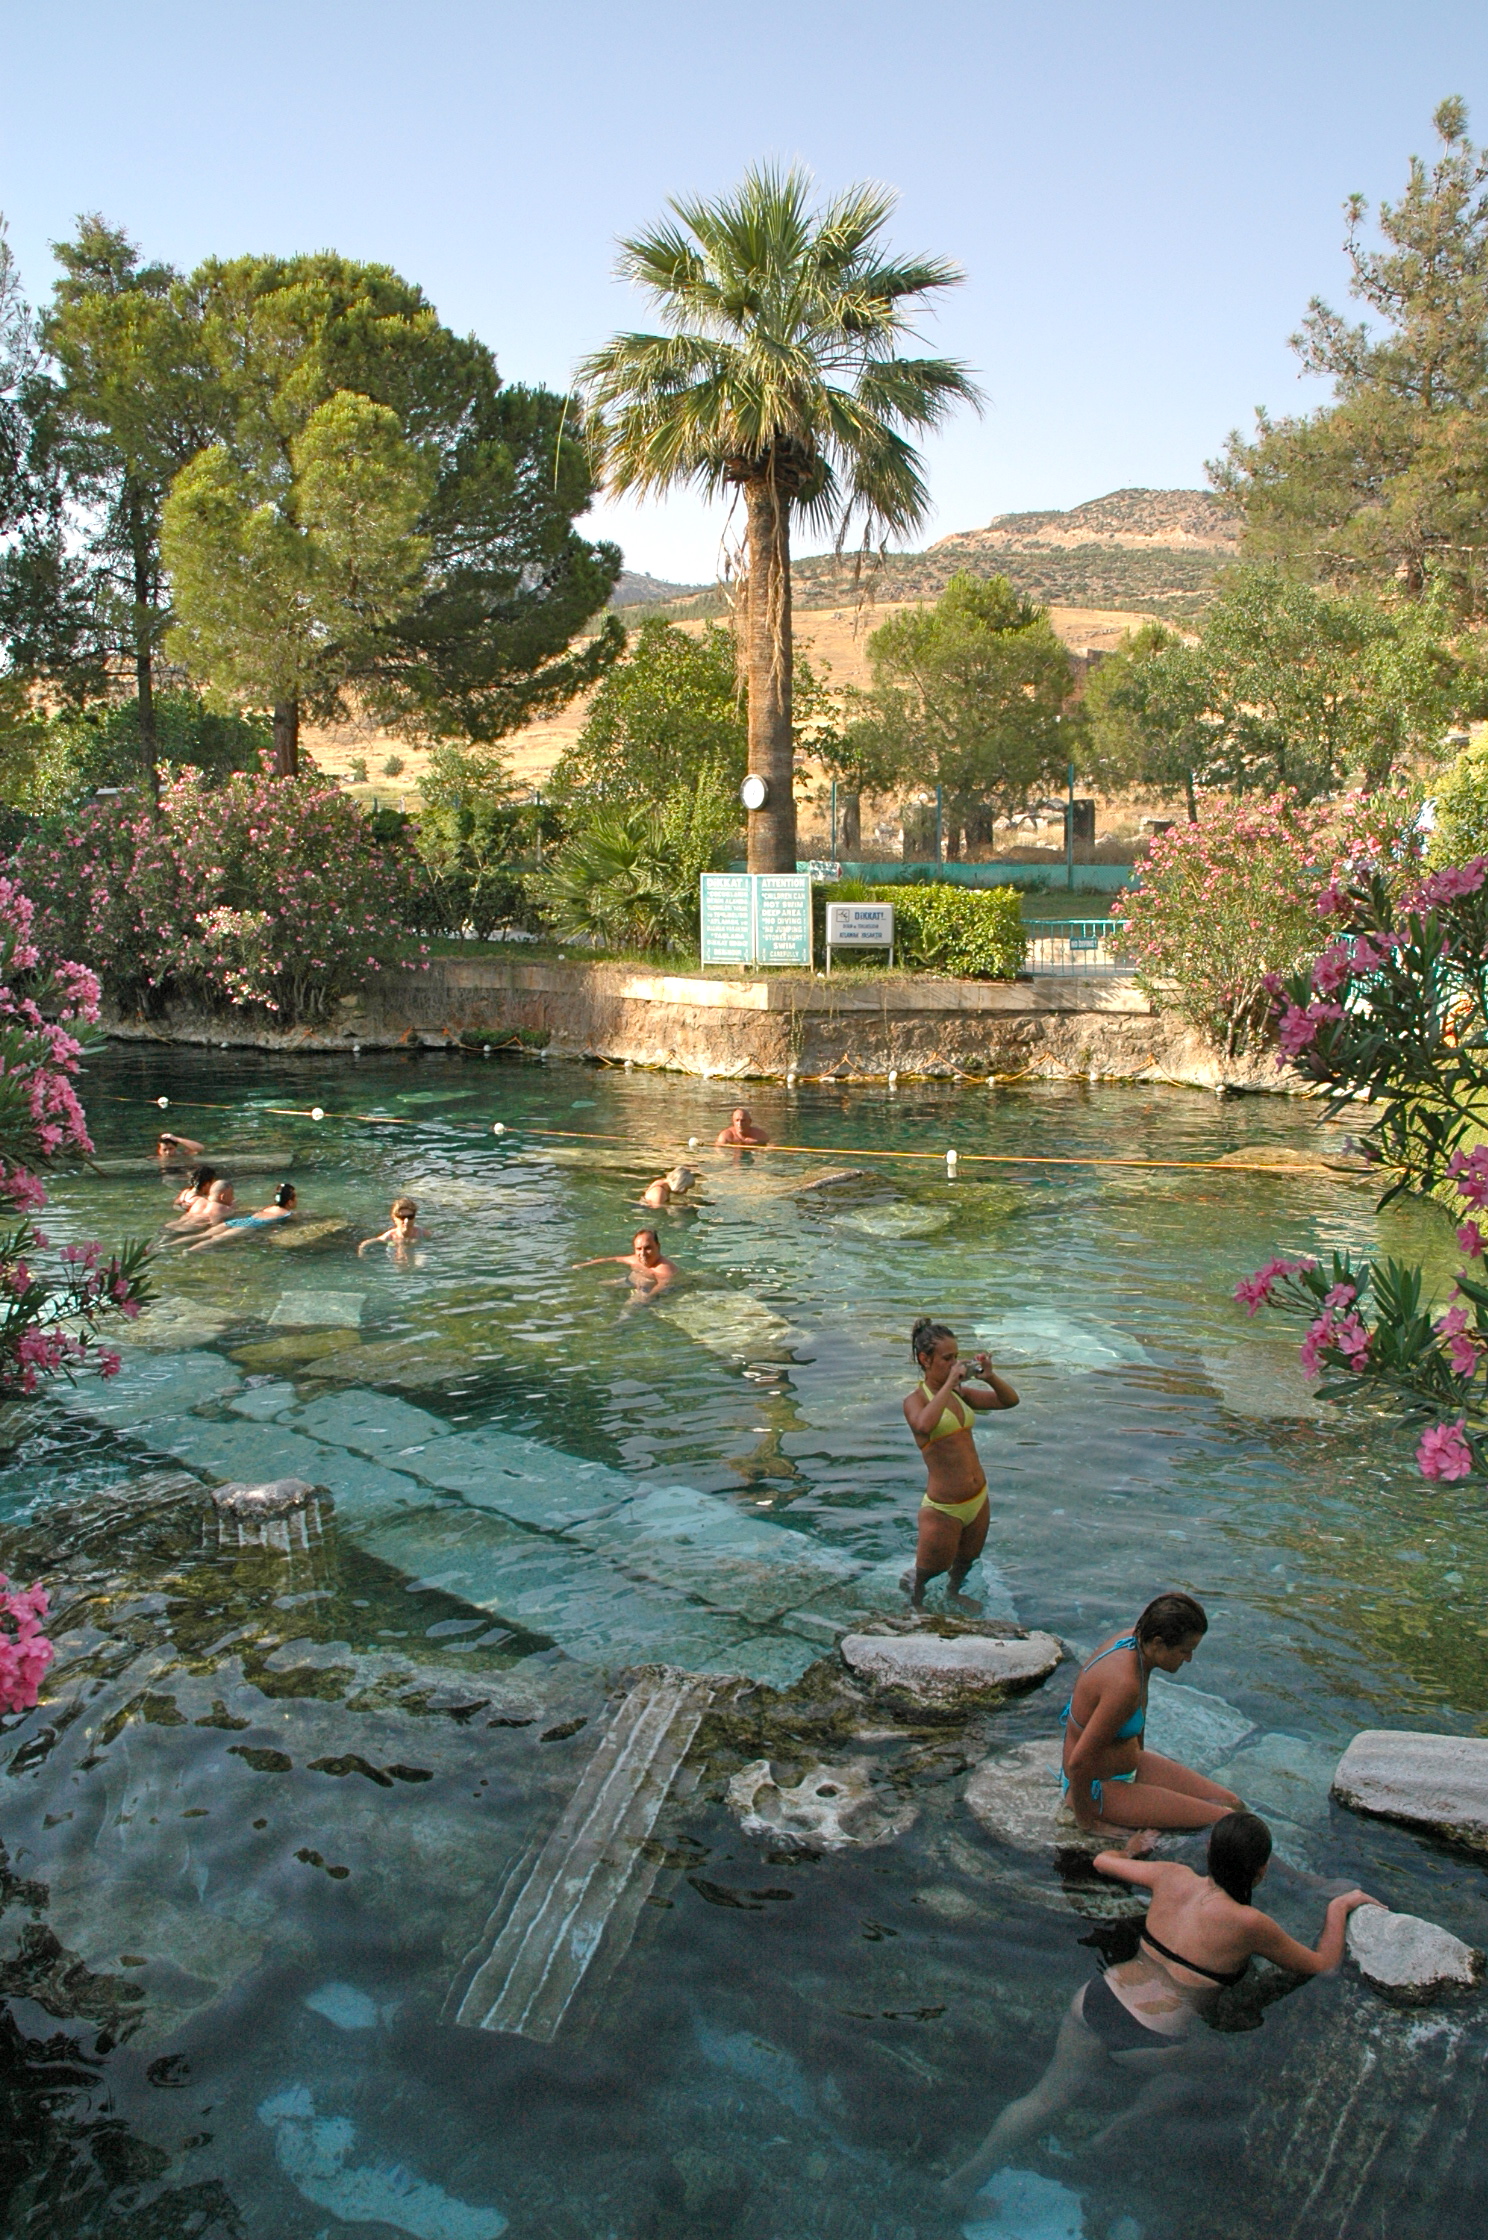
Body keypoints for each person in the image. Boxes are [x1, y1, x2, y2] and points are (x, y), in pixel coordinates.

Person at [942, 1813, 1380, 2198]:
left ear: (1208, 1853)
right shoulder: (1251, 1923)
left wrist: (1131, 1849)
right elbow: (1322, 1966)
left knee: (1043, 2100)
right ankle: (1115, 2132)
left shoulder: (1172, 1876)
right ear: (1261, 1871)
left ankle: (961, 2183)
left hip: (1096, 1999)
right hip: (1149, 2039)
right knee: (1218, 2063)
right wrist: (1340, 1905)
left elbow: (1102, 1862)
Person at [1060, 1593, 1242, 1838]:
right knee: (1229, 1822)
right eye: (1185, 1651)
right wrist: (1087, 1824)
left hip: (1129, 1767)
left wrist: (1147, 1780)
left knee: (1234, 1804)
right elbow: (1078, 1763)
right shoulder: (1124, 1685)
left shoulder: (1133, 1640)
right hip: (1099, 1788)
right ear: (1158, 1643)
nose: (1189, 1659)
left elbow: (1138, 1714)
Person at [903, 1318, 1019, 1613]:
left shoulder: (960, 1393)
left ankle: (953, 1594)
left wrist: (990, 1377)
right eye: (947, 1359)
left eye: (956, 1357)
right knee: (926, 1576)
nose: (954, 1364)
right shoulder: (916, 1400)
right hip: (944, 1508)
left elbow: (1009, 1401)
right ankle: (915, 1611)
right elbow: (924, 1424)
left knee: (966, 1562)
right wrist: (949, 1384)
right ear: (925, 1360)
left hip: (977, 1498)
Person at [189, 1182, 297, 1250]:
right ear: (290, 1202)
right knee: (216, 1239)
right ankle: (190, 1251)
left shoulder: (268, 1208)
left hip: (241, 1221)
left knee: (203, 1235)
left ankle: (177, 1244)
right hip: (248, 1226)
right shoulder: (287, 1213)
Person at [573, 1227, 678, 1296]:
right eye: (639, 1249)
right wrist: (585, 1264)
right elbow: (614, 1259)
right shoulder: (636, 1259)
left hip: (646, 1290)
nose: (642, 1253)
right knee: (598, 1285)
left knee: (630, 1305)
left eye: (648, 1248)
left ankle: (618, 1322)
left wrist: (647, 1298)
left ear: (658, 1246)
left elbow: (663, 1285)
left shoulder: (664, 1269)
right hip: (629, 1281)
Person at [166, 1176, 235, 1235]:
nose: (233, 1198)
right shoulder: (224, 1209)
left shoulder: (198, 1200)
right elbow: (215, 1225)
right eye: (231, 1195)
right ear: (222, 1197)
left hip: (170, 1226)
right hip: (187, 1231)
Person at [358, 1197, 423, 1255]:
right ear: (394, 1218)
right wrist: (361, 1251)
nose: (406, 1221)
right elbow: (369, 1243)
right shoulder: (390, 1236)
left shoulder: (421, 1233)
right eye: (402, 1217)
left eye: (410, 1217)